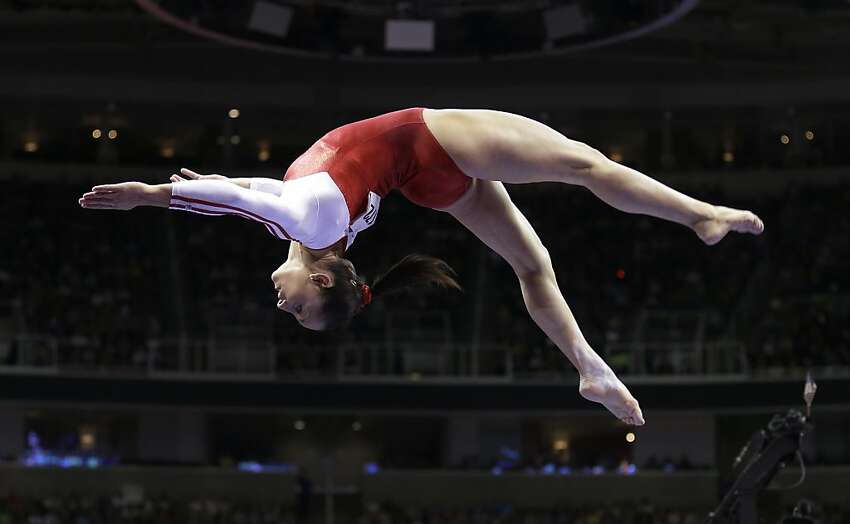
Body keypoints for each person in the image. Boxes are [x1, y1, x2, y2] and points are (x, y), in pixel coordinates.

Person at [78, 108, 765, 425]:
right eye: (296, 310)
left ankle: (590, 367)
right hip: (432, 140)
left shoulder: (302, 229)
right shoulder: (310, 226)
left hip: (428, 182)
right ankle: (700, 213)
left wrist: (210, 188)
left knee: (533, 266)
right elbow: (240, 198)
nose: (278, 305)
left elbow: (247, 196)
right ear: (323, 280)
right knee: (583, 164)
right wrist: (153, 196)